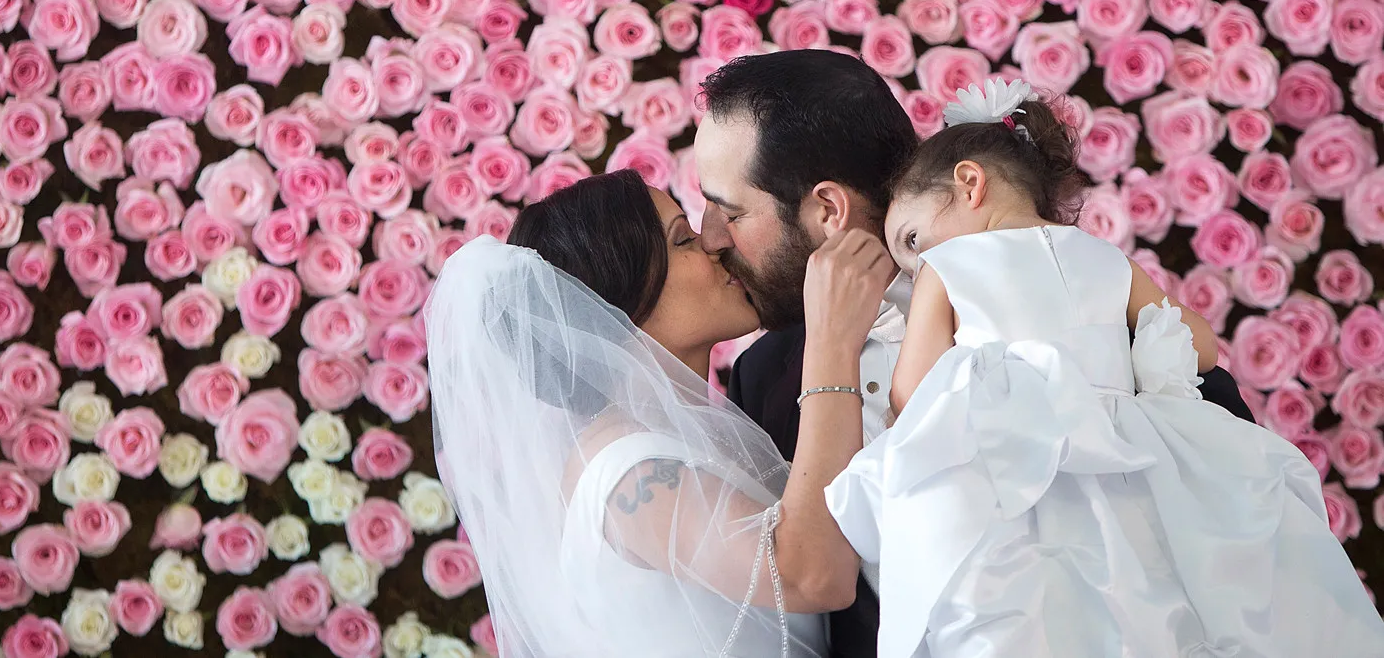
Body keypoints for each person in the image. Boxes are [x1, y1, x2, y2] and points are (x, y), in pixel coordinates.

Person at [692, 49, 1257, 657]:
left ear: (829, 210)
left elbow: (1219, 480)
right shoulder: (764, 374)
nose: (709, 236)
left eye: (730, 211)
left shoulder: (1069, 301)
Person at [825, 79, 1384, 658]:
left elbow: (912, 396)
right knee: (1158, 582)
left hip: (1020, 467)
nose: (915, 266)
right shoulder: (1104, 258)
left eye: (911, 240)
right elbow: (1199, 346)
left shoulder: (949, 265)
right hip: (1129, 453)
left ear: (969, 183)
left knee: (1043, 612)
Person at [425, 169, 891, 657]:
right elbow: (811, 574)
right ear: (617, 301)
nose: (715, 243)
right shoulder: (625, 475)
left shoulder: (696, 434)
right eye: (683, 239)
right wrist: (832, 338)